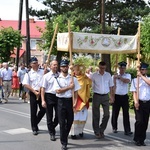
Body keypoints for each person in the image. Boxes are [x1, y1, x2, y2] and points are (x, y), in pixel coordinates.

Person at [53, 59, 80, 150]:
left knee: (69, 122)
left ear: (68, 67)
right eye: (63, 66)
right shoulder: (57, 78)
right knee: (62, 123)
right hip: (60, 101)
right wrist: (69, 87)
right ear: (60, 68)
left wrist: (75, 103)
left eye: (66, 66)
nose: (65, 68)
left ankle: (64, 135)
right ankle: (64, 142)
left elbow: (76, 92)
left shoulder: (73, 78)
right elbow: (58, 91)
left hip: (69, 101)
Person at [22, 56, 45, 135]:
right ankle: (34, 128)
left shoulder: (42, 72)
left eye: (37, 62)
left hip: (41, 92)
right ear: (31, 64)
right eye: (34, 63)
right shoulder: (28, 74)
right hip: (33, 93)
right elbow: (25, 84)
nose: (36, 64)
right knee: (33, 111)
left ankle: (35, 122)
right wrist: (34, 92)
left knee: (43, 109)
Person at [91, 61, 114, 138]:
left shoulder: (108, 75)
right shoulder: (94, 75)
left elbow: (111, 86)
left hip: (105, 96)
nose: (102, 69)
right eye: (101, 68)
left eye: (103, 68)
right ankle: (97, 131)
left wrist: (111, 96)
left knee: (107, 114)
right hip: (97, 95)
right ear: (98, 67)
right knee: (96, 114)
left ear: (105, 67)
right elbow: (91, 85)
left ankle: (102, 129)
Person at [130, 62, 150, 146]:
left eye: (145, 69)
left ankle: (142, 139)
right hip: (139, 102)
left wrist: (141, 76)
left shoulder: (148, 78)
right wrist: (136, 102)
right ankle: (137, 139)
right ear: (139, 70)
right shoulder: (135, 80)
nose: (143, 70)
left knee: (145, 122)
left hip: (148, 103)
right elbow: (134, 92)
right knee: (139, 121)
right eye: (142, 69)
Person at [70, 64, 92, 139]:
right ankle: (73, 133)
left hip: (83, 99)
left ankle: (80, 131)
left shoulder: (84, 78)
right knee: (75, 117)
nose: (78, 71)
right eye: (76, 70)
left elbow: (90, 85)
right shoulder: (71, 78)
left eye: (79, 70)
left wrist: (88, 79)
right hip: (75, 98)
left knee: (82, 117)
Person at [111, 61, 132, 135]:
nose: (122, 69)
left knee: (126, 113)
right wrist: (112, 96)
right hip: (116, 96)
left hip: (124, 96)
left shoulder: (128, 75)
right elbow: (112, 86)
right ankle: (114, 127)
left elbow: (127, 81)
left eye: (123, 68)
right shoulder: (114, 76)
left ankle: (127, 130)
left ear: (125, 68)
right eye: (121, 68)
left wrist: (120, 77)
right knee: (115, 113)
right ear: (119, 68)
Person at [41, 60, 59, 141]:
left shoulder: (60, 75)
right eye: (54, 65)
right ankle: (52, 133)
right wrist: (43, 100)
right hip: (49, 96)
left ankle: (52, 126)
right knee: (49, 115)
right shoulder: (46, 76)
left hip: (58, 96)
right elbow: (43, 89)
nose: (55, 66)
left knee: (58, 116)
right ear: (50, 66)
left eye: (56, 65)